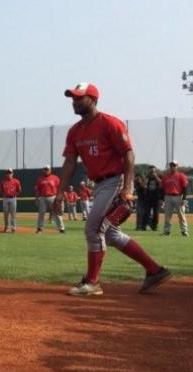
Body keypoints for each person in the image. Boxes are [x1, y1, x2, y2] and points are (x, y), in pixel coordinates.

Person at [54, 82, 170, 296]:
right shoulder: (75, 131)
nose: (74, 102)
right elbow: (70, 162)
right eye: (73, 98)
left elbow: (128, 154)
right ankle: (155, 270)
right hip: (99, 185)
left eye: (79, 97)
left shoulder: (109, 123)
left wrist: (127, 188)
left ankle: (92, 282)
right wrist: (60, 192)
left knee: (93, 229)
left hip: (115, 181)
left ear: (93, 100)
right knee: (110, 234)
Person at [161, 160, 189, 236]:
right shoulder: (165, 176)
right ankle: (167, 231)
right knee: (167, 215)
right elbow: (162, 189)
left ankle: (184, 231)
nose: (172, 167)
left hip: (178, 196)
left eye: (174, 165)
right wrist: (162, 199)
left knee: (181, 215)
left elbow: (185, 188)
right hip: (168, 196)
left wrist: (184, 199)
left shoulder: (181, 175)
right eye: (171, 165)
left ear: (177, 166)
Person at [35, 165, 66, 234]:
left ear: (50, 170)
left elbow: (60, 187)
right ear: (43, 170)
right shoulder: (40, 179)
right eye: (45, 169)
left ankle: (61, 228)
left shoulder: (55, 178)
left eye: (47, 169)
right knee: (41, 213)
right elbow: (37, 190)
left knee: (56, 213)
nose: (46, 170)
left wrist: (60, 197)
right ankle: (40, 228)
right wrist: (37, 199)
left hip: (53, 197)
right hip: (43, 197)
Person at [0, 168, 21, 233]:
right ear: (6, 174)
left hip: (13, 198)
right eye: (8, 173)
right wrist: (5, 194)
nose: (9, 174)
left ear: (12, 174)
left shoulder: (16, 181)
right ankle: (6, 227)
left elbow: (19, 190)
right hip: (5, 198)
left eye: (10, 173)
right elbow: (1, 190)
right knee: (6, 214)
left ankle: (13, 227)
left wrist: (15, 195)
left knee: (13, 214)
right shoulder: (3, 182)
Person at [142, 166, 162, 231]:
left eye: (153, 171)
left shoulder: (159, 176)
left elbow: (161, 183)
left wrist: (155, 176)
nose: (152, 172)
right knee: (146, 212)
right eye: (151, 171)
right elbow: (143, 185)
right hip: (148, 197)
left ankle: (154, 226)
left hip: (156, 198)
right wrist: (147, 177)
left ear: (156, 171)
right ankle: (144, 226)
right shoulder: (147, 177)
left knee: (156, 213)